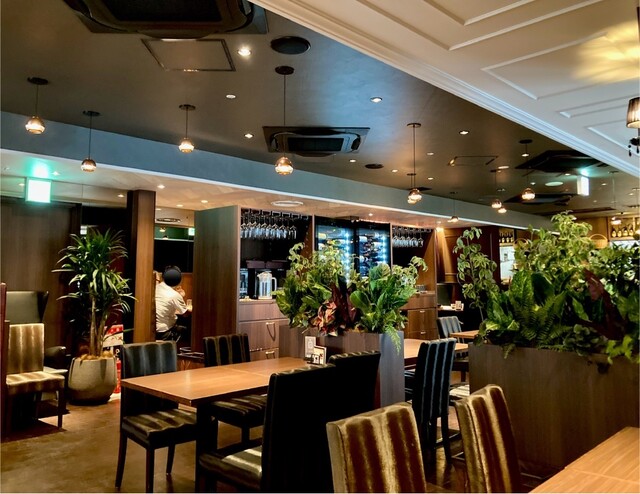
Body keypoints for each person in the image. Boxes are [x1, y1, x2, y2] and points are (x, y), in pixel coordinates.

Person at [155, 266, 189, 341]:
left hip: (154, 329)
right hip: (165, 331)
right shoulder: (174, 295)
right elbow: (185, 314)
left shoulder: (156, 288)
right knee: (188, 328)